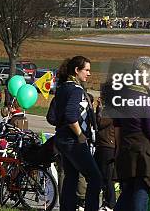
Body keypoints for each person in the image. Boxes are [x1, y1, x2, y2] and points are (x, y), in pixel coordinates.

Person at [111, 57, 150, 211]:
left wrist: (118, 149)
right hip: (143, 152)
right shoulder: (146, 100)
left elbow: (117, 125)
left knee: (128, 192)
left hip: (126, 147)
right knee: (141, 191)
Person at [52, 56, 102, 211]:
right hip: (74, 141)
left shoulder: (62, 89)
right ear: (76, 70)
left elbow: (51, 117)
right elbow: (70, 115)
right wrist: (80, 134)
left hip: (62, 139)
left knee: (71, 177)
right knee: (95, 178)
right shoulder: (76, 90)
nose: (88, 74)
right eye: (86, 70)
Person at [94, 96, 116, 211]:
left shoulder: (111, 111)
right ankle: (105, 201)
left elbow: (100, 122)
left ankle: (110, 204)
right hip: (101, 145)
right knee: (100, 176)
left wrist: (100, 108)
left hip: (108, 146)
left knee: (108, 177)